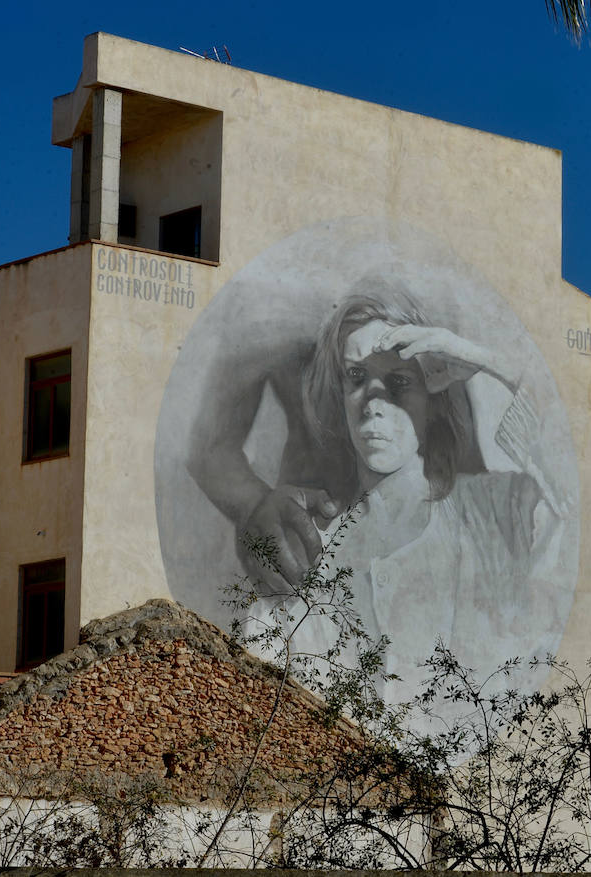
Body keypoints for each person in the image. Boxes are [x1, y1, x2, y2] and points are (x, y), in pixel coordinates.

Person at [187, 277, 567, 696]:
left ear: (433, 396)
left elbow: (577, 498)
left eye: (399, 381)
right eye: (356, 376)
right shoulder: (310, 551)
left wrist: (481, 359)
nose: (373, 401)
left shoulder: (501, 509)